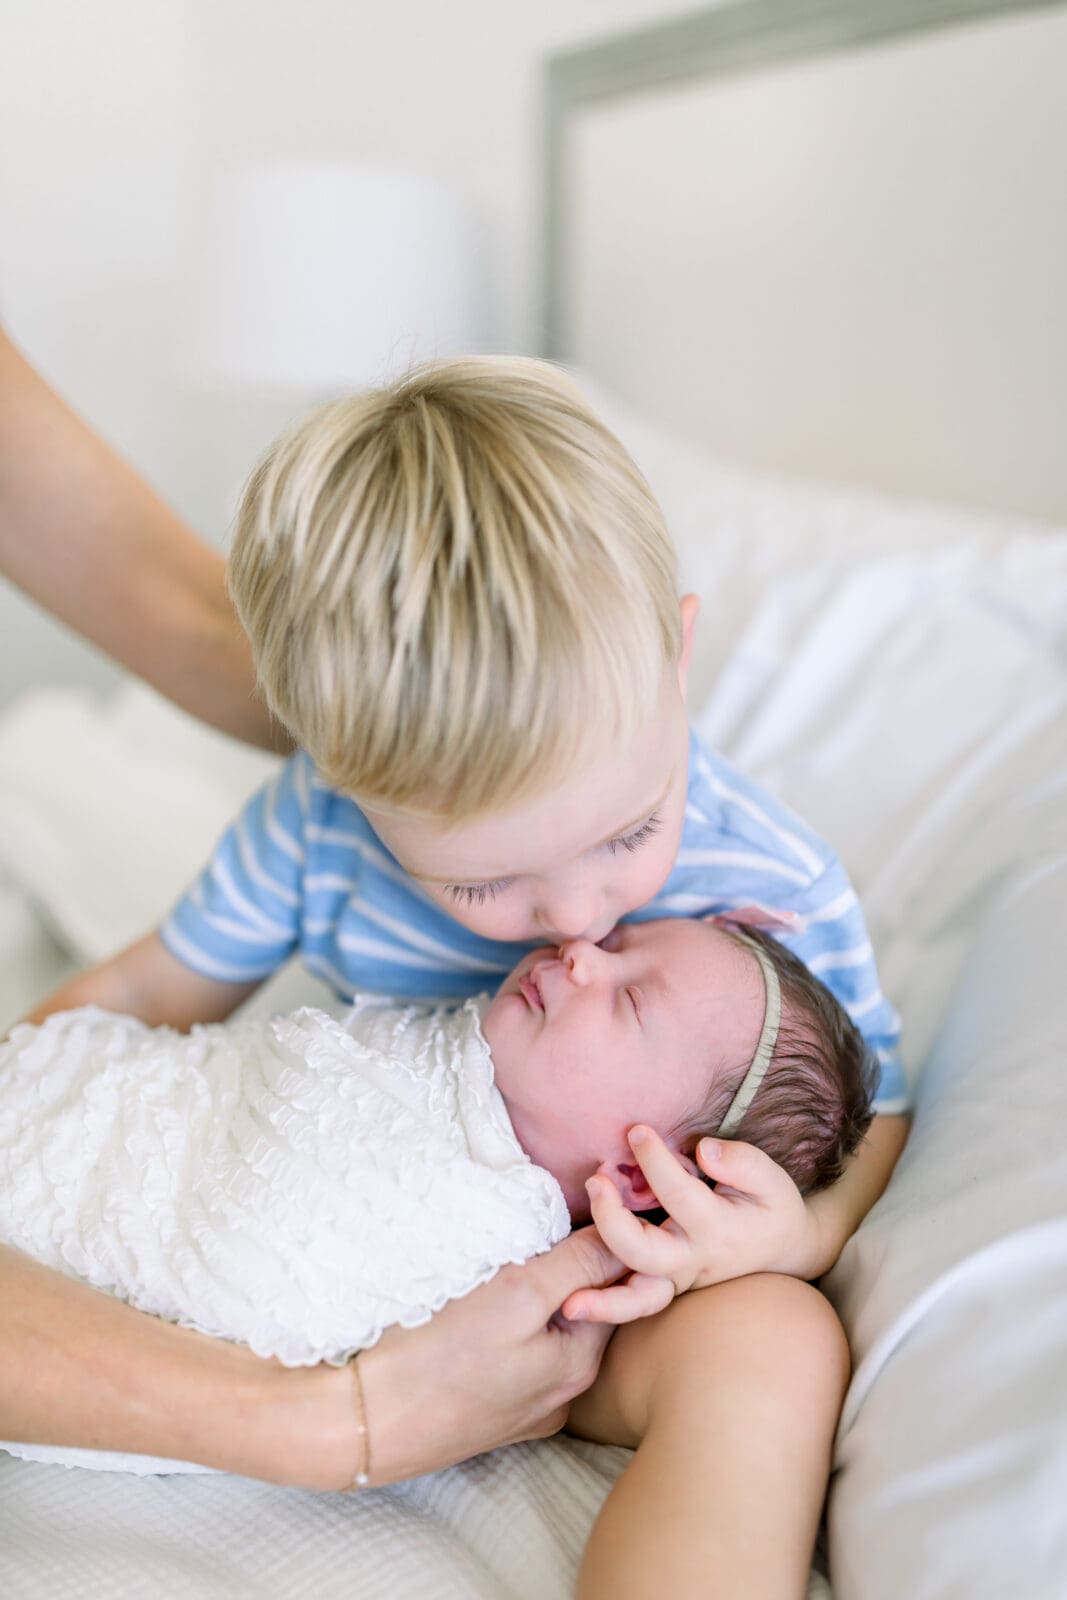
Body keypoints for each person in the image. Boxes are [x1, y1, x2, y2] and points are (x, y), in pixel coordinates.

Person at [9, 349, 905, 1592]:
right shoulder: (310, 836)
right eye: (485, 887)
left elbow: (875, 1101)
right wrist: (39, 1084)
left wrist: (791, 1235)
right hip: (347, 1248)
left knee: (771, 1345)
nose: (577, 921)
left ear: (675, 658)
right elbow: (145, 998)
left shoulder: (770, 881)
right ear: (340, 774)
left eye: (626, 833)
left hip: (566, 1305)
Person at [2, 915, 872, 1597]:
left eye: (628, 1000)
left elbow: (891, 1110)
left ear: (652, 1179)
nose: (580, 954)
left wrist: (801, 1233)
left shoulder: (530, 1258)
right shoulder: (436, 1044)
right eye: (615, 941)